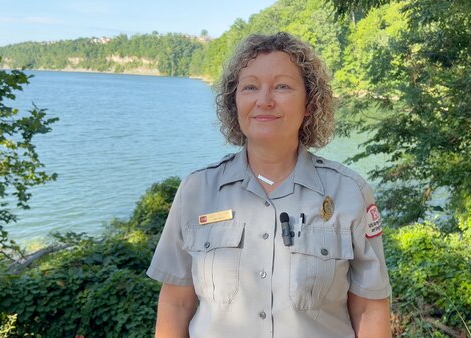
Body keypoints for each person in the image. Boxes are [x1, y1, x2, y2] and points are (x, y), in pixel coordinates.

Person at [146, 32, 391, 338]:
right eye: (250, 87)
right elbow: (176, 305)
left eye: (282, 86)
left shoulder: (349, 193)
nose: (264, 100)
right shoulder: (197, 191)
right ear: (234, 103)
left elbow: (370, 309)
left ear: (309, 104)